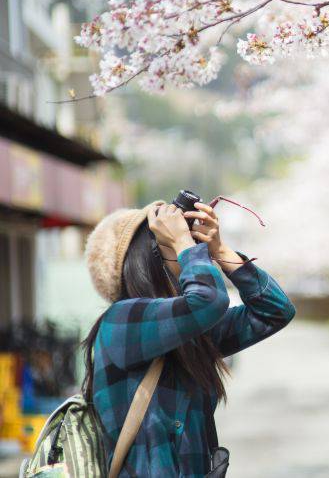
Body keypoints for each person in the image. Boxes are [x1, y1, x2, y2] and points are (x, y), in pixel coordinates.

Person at [81, 200, 296, 476]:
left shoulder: (188, 333)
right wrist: (185, 243)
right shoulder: (121, 321)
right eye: (169, 242)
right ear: (145, 260)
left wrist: (219, 250)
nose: (189, 253)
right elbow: (209, 301)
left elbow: (275, 311)